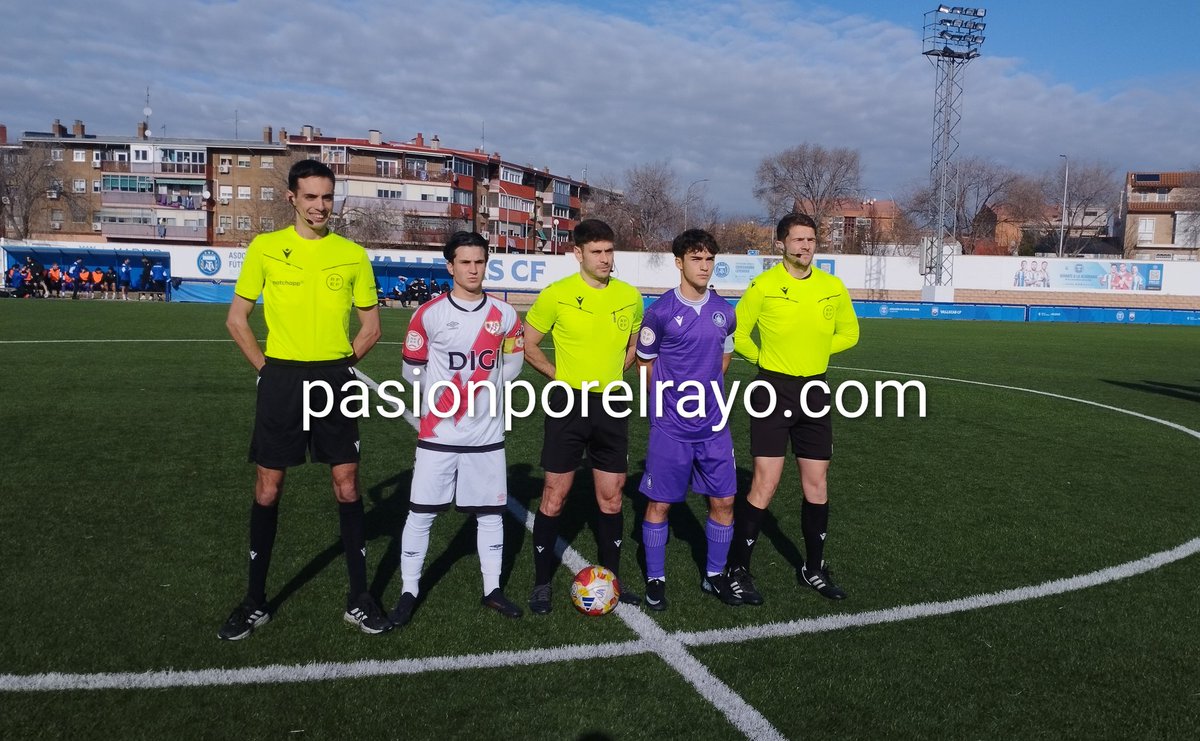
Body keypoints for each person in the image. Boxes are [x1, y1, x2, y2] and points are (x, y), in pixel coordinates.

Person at [219, 159, 387, 640]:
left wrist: (337, 366)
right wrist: (270, 372)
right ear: (292, 197)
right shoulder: (267, 249)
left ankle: (359, 598)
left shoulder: (352, 254)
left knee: (348, 486)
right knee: (269, 488)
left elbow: (371, 327)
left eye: (327, 197)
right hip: (282, 381)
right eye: (310, 196)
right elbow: (237, 319)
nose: (319, 206)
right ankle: (254, 601)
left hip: (335, 381)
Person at [389, 231, 526, 627]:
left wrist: (492, 391)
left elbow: (513, 362)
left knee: (489, 514)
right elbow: (411, 368)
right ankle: (409, 590)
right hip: (439, 435)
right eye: (464, 262)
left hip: (487, 436)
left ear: (486, 263)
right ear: (450, 266)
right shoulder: (428, 314)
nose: (472, 269)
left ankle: (492, 589)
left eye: (479, 261)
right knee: (421, 514)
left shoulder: (505, 315)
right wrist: (439, 399)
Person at [726, 212, 860, 605]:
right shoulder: (763, 286)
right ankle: (739, 569)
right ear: (780, 243)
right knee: (765, 482)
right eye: (798, 240)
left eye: (811, 240)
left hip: (815, 391)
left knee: (816, 484)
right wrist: (764, 359)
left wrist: (815, 353)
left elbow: (850, 333)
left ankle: (813, 568)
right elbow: (736, 331)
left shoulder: (832, 287)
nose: (806, 246)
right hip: (772, 389)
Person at [523, 218, 644, 614]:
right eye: (597, 252)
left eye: (610, 251)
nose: (606, 259)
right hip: (567, 403)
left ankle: (612, 579)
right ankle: (542, 582)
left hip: (611, 404)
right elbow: (529, 345)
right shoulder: (556, 295)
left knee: (610, 498)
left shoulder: (629, 296)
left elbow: (633, 348)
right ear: (577, 253)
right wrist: (562, 376)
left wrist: (610, 376)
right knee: (554, 495)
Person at [636, 229, 742, 610]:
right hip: (671, 426)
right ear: (679, 263)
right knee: (661, 504)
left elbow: (724, 355)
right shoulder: (660, 312)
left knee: (725, 500)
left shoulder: (724, 311)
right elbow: (644, 363)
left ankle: (714, 575)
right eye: (696, 259)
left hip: (713, 424)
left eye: (709, 259)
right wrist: (660, 408)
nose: (704, 266)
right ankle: (655, 577)